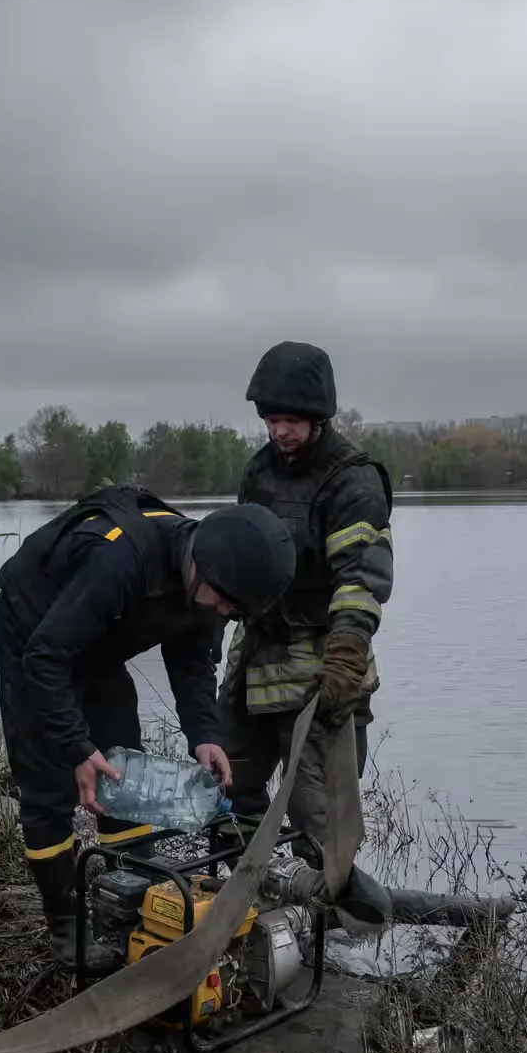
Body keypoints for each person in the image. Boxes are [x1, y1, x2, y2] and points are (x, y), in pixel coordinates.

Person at [0, 486, 296, 967]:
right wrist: (75, 748)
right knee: (49, 788)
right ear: (199, 564)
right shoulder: (120, 560)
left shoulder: (217, 585)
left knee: (123, 779)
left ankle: (128, 900)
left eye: (232, 612)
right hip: (31, 641)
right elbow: (45, 657)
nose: (222, 614)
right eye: (221, 604)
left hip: (98, 647)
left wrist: (205, 735)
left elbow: (193, 661)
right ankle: (66, 930)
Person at [213, 341, 395, 925]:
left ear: (319, 417)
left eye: (289, 421)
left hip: (322, 667)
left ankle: (336, 924)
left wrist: (343, 662)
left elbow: (361, 583)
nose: (279, 431)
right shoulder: (259, 470)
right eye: (270, 420)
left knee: (321, 821)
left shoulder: (354, 480)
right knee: (231, 787)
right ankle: (250, 908)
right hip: (255, 659)